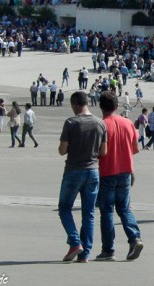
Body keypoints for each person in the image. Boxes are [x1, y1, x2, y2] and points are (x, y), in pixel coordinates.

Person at [58, 91, 107, 263]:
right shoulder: (100, 123)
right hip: (93, 171)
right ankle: (84, 253)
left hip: (73, 170)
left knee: (64, 208)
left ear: (74, 104)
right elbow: (104, 151)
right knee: (89, 213)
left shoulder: (71, 122)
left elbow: (62, 150)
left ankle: (75, 241)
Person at [95, 91, 143, 261]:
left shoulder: (101, 125)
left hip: (106, 172)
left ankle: (108, 250)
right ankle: (134, 237)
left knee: (107, 211)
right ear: (116, 106)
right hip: (125, 171)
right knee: (124, 208)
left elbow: (97, 152)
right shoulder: (128, 123)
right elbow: (135, 149)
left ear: (101, 106)